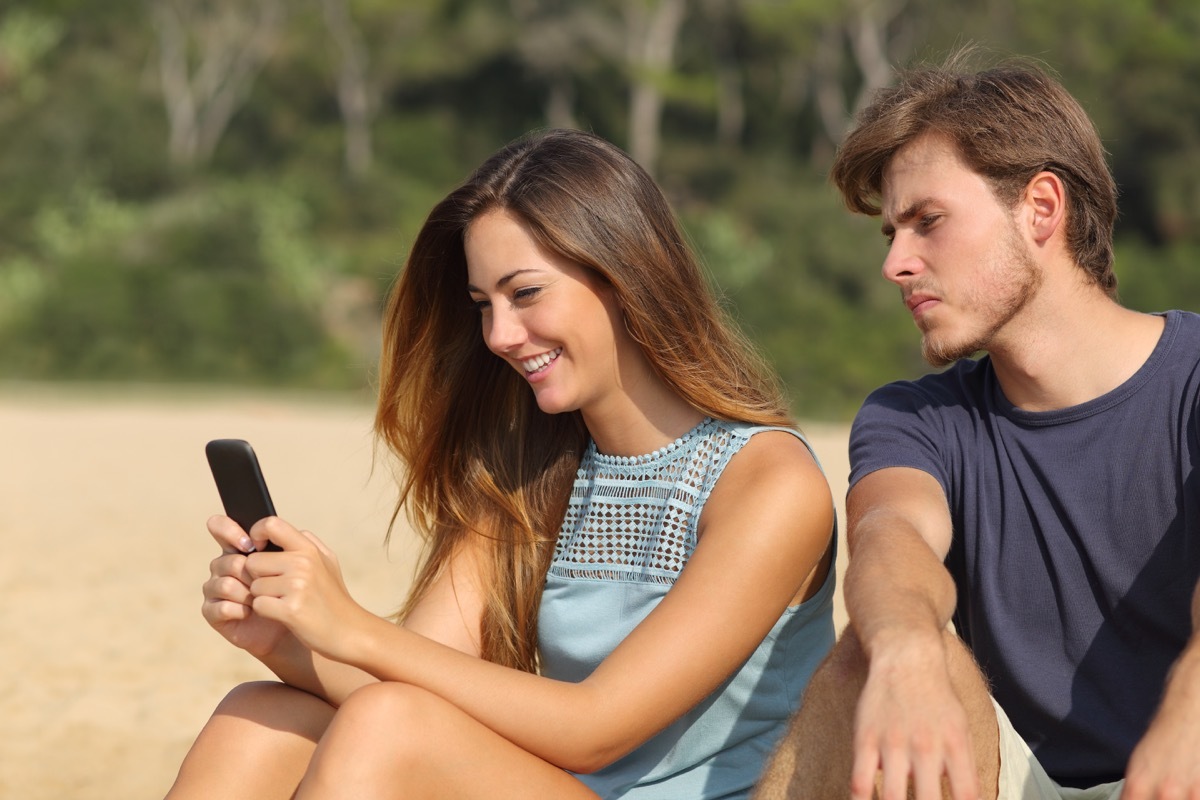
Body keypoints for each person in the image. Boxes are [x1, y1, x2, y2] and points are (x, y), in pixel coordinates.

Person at [166, 128, 837, 799]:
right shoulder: (534, 477)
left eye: (525, 293)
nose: (499, 336)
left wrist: (353, 626)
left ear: (623, 274)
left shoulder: (768, 483)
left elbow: (596, 728)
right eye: (484, 305)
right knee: (260, 716)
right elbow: (409, 677)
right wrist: (282, 640)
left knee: (388, 726)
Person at [752, 51, 1200, 800]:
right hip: (1015, 778)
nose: (896, 262)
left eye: (927, 222)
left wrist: (1190, 708)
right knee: (872, 653)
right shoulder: (915, 417)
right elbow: (891, 536)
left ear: (1042, 209)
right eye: (891, 234)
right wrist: (901, 649)